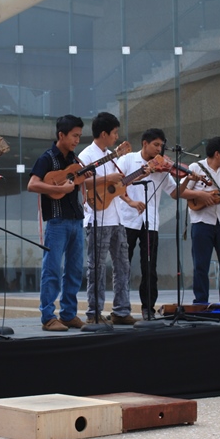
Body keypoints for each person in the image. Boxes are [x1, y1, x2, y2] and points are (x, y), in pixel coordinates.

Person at [27, 115, 87, 332]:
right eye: (74, 135)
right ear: (61, 135)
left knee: (74, 270)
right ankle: (48, 316)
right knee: (52, 269)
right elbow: (32, 184)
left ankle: (69, 314)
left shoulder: (75, 160)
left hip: (76, 219)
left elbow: (79, 181)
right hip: (56, 220)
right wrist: (58, 190)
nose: (77, 140)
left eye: (79, 136)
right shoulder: (47, 158)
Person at [77, 112, 136, 326]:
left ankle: (121, 310)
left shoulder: (111, 154)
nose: (116, 137)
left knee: (123, 265)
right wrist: (109, 178)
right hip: (98, 218)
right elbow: (82, 181)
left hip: (116, 217)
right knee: (97, 267)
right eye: (114, 133)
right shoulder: (86, 155)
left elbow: (116, 186)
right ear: (104, 133)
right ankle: (94, 313)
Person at [116, 128, 180, 320]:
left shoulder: (162, 167)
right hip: (127, 219)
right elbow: (117, 185)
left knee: (149, 267)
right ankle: (121, 309)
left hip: (150, 221)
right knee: (123, 265)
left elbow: (175, 193)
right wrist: (141, 175)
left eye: (162, 145)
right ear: (145, 144)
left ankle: (148, 308)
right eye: (156, 145)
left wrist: (189, 180)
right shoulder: (127, 160)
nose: (160, 149)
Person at [181, 136, 220, 306]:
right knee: (201, 265)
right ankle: (201, 303)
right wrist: (201, 195)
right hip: (202, 222)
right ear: (217, 154)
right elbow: (181, 192)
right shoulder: (196, 168)